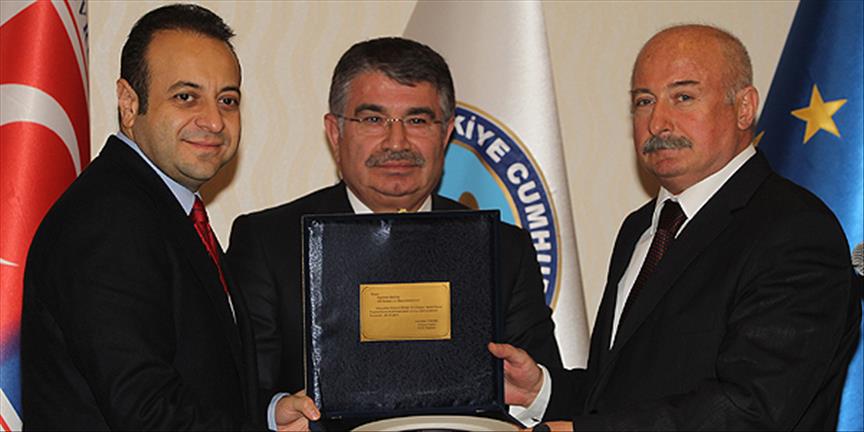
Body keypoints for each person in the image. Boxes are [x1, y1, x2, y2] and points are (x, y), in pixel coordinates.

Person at [489, 24, 861, 431]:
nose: (657, 123)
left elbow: (752, 407)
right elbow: (621, 396)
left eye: (683, 97)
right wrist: (542, 392)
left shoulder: (796, 231)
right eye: (644, 101)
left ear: (744, 108)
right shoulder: (641, 229)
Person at [21, 4, 317, 430]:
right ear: (129, 103)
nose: (213, 121)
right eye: (185, 96)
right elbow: (146, 412)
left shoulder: (161, 208)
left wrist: (268, 415)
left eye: (227, 100)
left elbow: (194, 377)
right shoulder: (108, 222)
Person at [226, 37, 562, 401]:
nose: (397, 142)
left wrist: (534, 395)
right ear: (336, 133)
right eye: (373, 119)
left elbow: (547, 392)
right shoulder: (268, 243)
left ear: (446, 133)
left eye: (417, 120)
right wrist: (279, 412)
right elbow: (242, 395)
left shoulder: (503, 248)